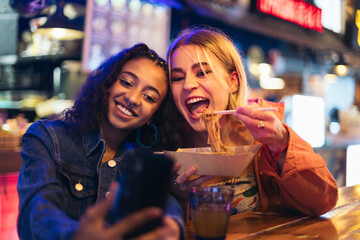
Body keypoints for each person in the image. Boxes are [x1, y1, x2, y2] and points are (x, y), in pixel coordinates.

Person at [166, 26, 339, 216]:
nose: (188, 85)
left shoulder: (262, 136)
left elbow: (322, 201)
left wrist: (281, 144)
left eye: (202, 73)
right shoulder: (170, 141)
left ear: (233, 82)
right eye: (177, 77)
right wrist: (175, 194)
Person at [17, 43, 183, 240]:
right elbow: (35, 210)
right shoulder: (47, 138)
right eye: (127, 83)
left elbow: (167, 204)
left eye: (149, 97)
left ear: (152, 116)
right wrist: (77, 235)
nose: (132, 98)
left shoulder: (148, 160)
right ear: (108, 83)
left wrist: (174, 226)